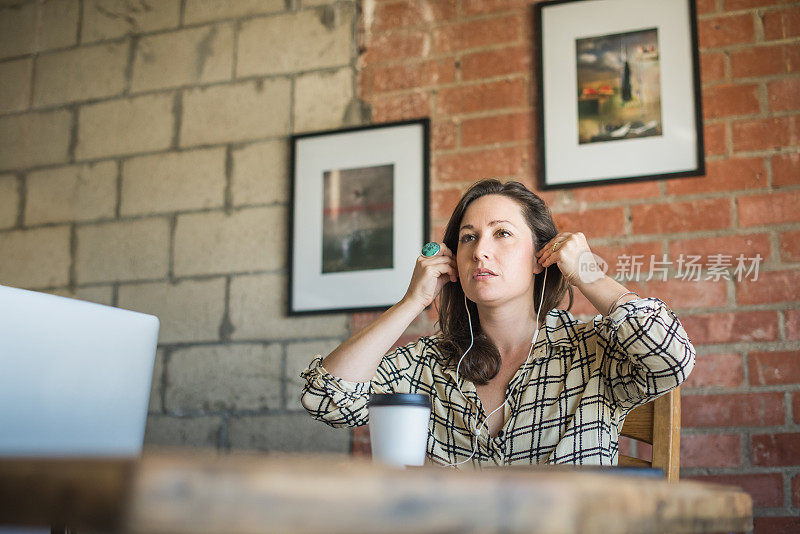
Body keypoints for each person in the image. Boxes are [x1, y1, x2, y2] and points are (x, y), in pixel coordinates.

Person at [300, 179, 695, 468]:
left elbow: (672, 357)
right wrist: (413, 301)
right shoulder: (430, 363)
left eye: (502, 233)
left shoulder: (593, 351)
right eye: (468, 239)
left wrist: (588, 274)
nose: (480, 251)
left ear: (544, 255)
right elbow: (327, 399)